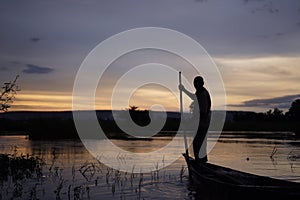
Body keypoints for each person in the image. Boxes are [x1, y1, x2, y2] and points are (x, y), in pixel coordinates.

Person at [179, 76, 211, 163]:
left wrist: (190, 121)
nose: (196, 85)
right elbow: (194, 97)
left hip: (202, 124)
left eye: (198, 83)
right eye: (195, 83)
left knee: (198, 144)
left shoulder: (203, 94)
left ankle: (200, 163)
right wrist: (184, 90)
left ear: (202, 83)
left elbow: (203, 112)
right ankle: (201, 162)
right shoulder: (199, 92)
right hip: (201, 123)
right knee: (199, 144)